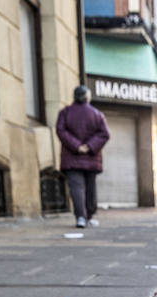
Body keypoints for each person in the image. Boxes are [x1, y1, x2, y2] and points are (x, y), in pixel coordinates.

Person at [55, 85, 110, 228]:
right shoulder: (97, 114)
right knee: (90, 187)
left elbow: (61, 130)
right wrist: (90, 146)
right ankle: (89, 216)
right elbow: (104, 134)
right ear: (87, 97)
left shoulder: (65, 113)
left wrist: (76, 146)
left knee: (76, 188)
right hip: (91, 157)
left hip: (71, 157)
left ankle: (80, 216)